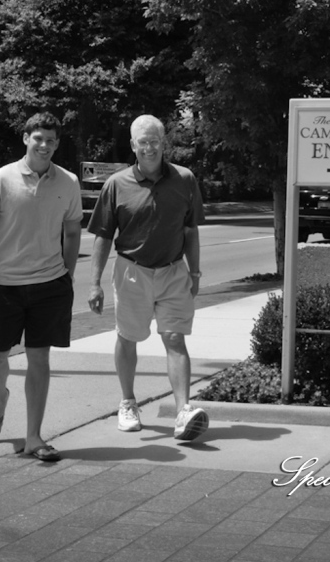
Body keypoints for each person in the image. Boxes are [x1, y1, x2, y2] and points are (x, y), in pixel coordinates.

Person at [86, 114, 210, 442]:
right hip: (131, 272)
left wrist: (194, 271)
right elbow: (102, 234)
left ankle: (183, 411)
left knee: (174, 338)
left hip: (172, 271)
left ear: (164, 143)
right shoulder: (116, 184)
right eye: (144, 142)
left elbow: (190, 231)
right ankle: (128, 402)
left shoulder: (185, 179)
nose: (150, 147)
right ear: (133, 146)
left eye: (155, 140)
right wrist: (94, 282)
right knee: (128, 337)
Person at [0, 112, 82, 462]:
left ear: (57, 143)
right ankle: (1, 397)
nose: (44, 145)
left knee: (39, 358)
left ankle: (33, 437)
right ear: (25, 139)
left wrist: (67, 274)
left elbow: (74, 231)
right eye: (38, 138)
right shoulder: (1, 179)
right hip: (3, 285)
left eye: (50, 139)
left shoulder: (68, 182)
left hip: (49, 284)